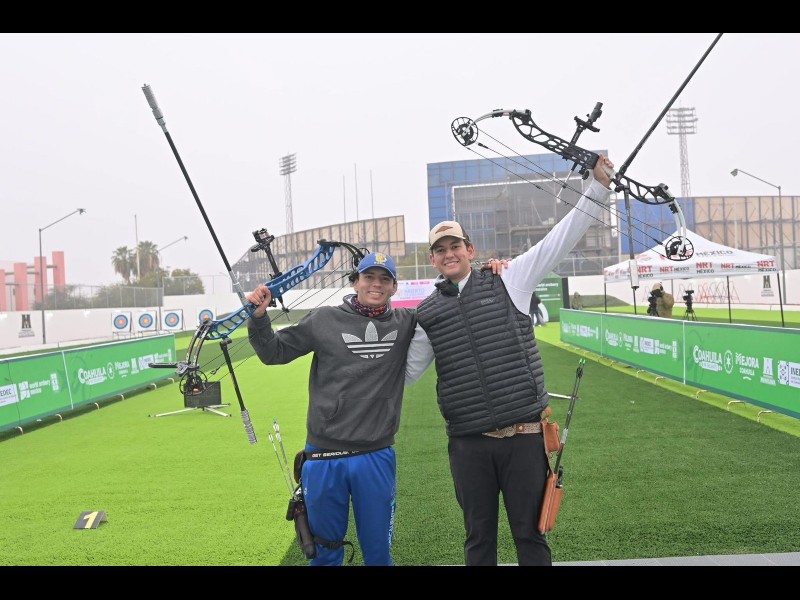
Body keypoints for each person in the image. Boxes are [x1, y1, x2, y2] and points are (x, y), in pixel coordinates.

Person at [405, 154, 615, 566]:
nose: (449, 254)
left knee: (530, 538)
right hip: (468, 445)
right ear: (433, 259)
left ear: (470, 250)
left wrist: (598, 187)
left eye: (455, 246)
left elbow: (559, 238)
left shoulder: (509, 278)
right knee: (478, 540)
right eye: (440, 250)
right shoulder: (427, 313)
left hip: (523, 438)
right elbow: (407, 373)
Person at [246, 252, 417, 566]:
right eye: (369, 277)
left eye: (385, 279)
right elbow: (274, 352)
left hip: (375, 455)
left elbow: (450, 307)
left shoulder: (406, 322)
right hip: (324, 457)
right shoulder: (324, 319)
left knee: (378, 555)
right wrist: (258, 317)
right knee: (324, 555)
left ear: (394, 287)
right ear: (355, 282)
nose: (376, 284)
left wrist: (495, 273)